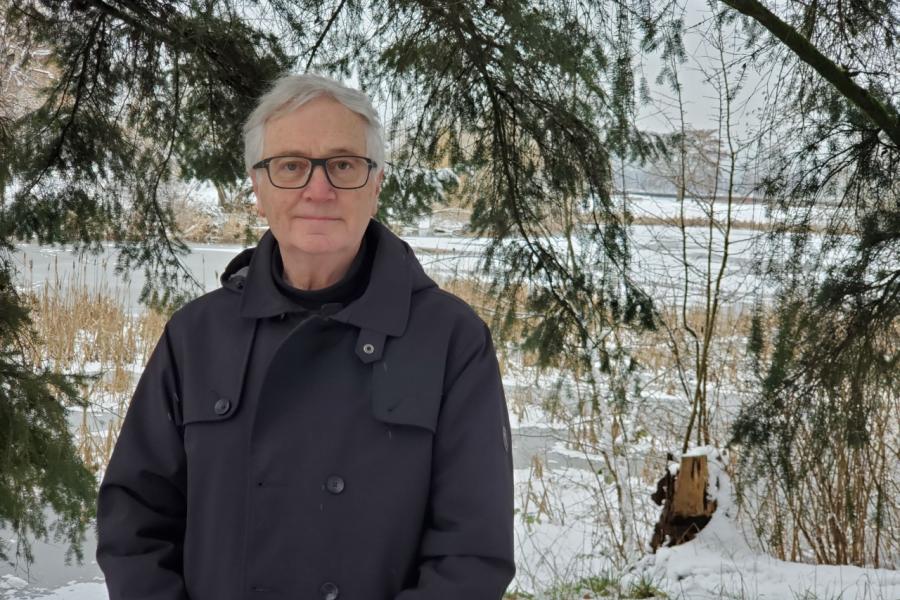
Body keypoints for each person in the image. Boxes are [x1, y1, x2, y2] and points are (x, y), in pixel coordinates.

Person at [95, 73, 516, 600]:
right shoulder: (197, 334)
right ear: (258, 186)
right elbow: (134, 521)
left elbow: (472, 555)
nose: (319, 190)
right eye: (291, 165)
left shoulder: (452, 339)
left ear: (376, 182)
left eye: (343, 164)